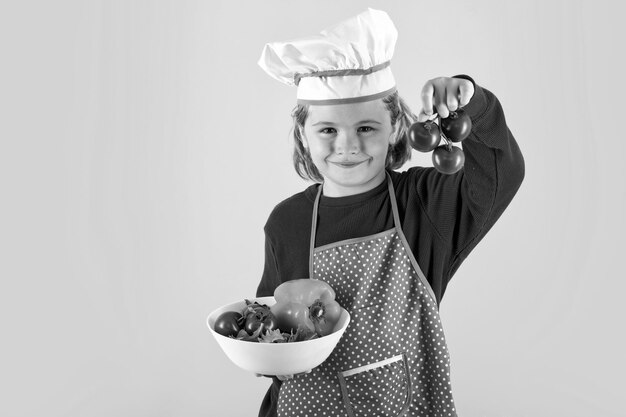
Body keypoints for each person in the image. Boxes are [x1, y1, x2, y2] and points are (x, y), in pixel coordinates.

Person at [255, 8, 524, 417]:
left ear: (397, 127)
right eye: (327, 130)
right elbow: (273, 329)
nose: (347, 145)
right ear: (302, 135)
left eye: (366, 128)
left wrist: (471, 101)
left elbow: (501, 174)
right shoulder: (286, 222)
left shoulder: (425, 203)